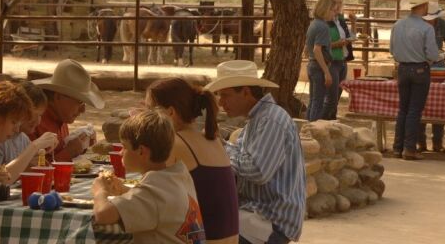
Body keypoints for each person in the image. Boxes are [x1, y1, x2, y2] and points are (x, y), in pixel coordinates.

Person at [205, 60, 306, 244]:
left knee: (206, 231)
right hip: (256, 212)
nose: (221, 102)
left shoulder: (270, 119)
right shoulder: (256, 120)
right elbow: (241, 157)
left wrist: (220, 147)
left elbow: (258, 170)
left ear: (245, 92)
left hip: (270, 218)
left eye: (225, 95)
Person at [92, 111, 207, 244]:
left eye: (124, 147)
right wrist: (125, 190)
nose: (120, 152)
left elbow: (103, 215)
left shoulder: (152, 190)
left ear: (142, 151)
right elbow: (160, 203)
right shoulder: (179, 174)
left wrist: (100, 191)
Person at [146, 78, 238, 244]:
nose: (146, 116)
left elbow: (151, 192)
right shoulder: (211, 139)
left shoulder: (176, 143)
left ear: (170, 113)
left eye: (149, 110)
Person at [390, 0, 439, 161]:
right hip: (420, 69)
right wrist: (432, 59)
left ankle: (397, 147)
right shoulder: (426, 28)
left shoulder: (397, 25)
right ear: (424, 6)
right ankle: (409, 148)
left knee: (403, 108)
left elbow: (392, 50)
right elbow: (433, 54)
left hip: (402, 68)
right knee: (414, 110)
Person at [30, 59, 105, 162]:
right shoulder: (33, 121)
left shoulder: (61, 115)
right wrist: (68, 153)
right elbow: (34, 172)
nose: (83, 110)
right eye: (79, 101)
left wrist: (80, 146)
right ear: (58, 97)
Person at [418, 2, 445, 153]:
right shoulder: (418, 25)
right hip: (421, 64)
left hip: (438, 66)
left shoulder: (443, 25)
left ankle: (437, 141)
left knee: (439, 103)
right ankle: (421, 141)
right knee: (419, 103)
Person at [0, 81, 48, 164]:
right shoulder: (0, 140)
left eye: (40, 115)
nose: (38, 121)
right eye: (35, 114)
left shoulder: (24, 139)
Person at [325, 0, 356, 120]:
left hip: (343, 60)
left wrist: (353, 22)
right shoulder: (324, 21)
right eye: (335, 3)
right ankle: (322, 122)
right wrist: (335, 44)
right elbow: (319, 45)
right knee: (331, 96)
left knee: (337, 95)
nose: (338, 6)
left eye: (340, 3)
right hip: (331, 61)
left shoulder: (340, 19)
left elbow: (351, 37)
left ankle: (331, 121)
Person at [305, 0, 337, 121]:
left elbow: (308, 48)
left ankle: (308, 128)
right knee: (318, 101)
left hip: (312, 65)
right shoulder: (323, 26)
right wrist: (327, 72)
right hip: (318, 66)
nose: (334, 13)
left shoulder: (313, 24)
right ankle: (313, 130)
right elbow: (317, 50)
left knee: (313, 100)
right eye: (332, 10)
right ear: (326, 10)